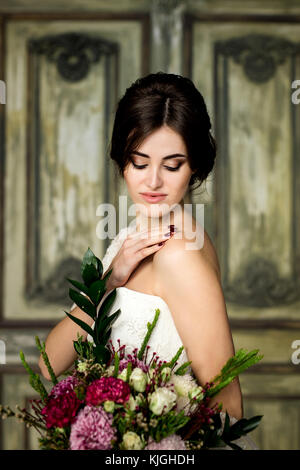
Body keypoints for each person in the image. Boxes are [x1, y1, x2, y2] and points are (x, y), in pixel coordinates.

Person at [39, 72, 258, 449]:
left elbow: (228, 409)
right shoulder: (129, 240)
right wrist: (109, 280)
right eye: (139, 163)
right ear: (122, 162)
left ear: (194, 168)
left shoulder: (180, 255)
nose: (153, 181)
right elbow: (47, 365)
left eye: (172, 165)